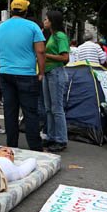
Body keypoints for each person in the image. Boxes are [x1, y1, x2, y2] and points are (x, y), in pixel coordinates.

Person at [0, 0, 45, 151]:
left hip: (5, 73)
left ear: (11, 10)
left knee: (10, 111)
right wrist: (41, 72)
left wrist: (2, 65)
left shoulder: (0, 28)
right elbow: (40, 51)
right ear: (26, 11)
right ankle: (35, 148)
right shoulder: (32, 26)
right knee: (30, 112)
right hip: (26, 74)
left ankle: (12, 146)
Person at [42, 11, 70, 153]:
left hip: (56, 73)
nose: (44, 21)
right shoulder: (52, 36)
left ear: (52, 21)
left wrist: (44, 55)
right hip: (48, 73)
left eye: (46, 19)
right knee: (49, 108)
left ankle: (61, 139)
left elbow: (65, 58)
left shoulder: (60, 36)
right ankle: (51, 136)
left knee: (57, 108)